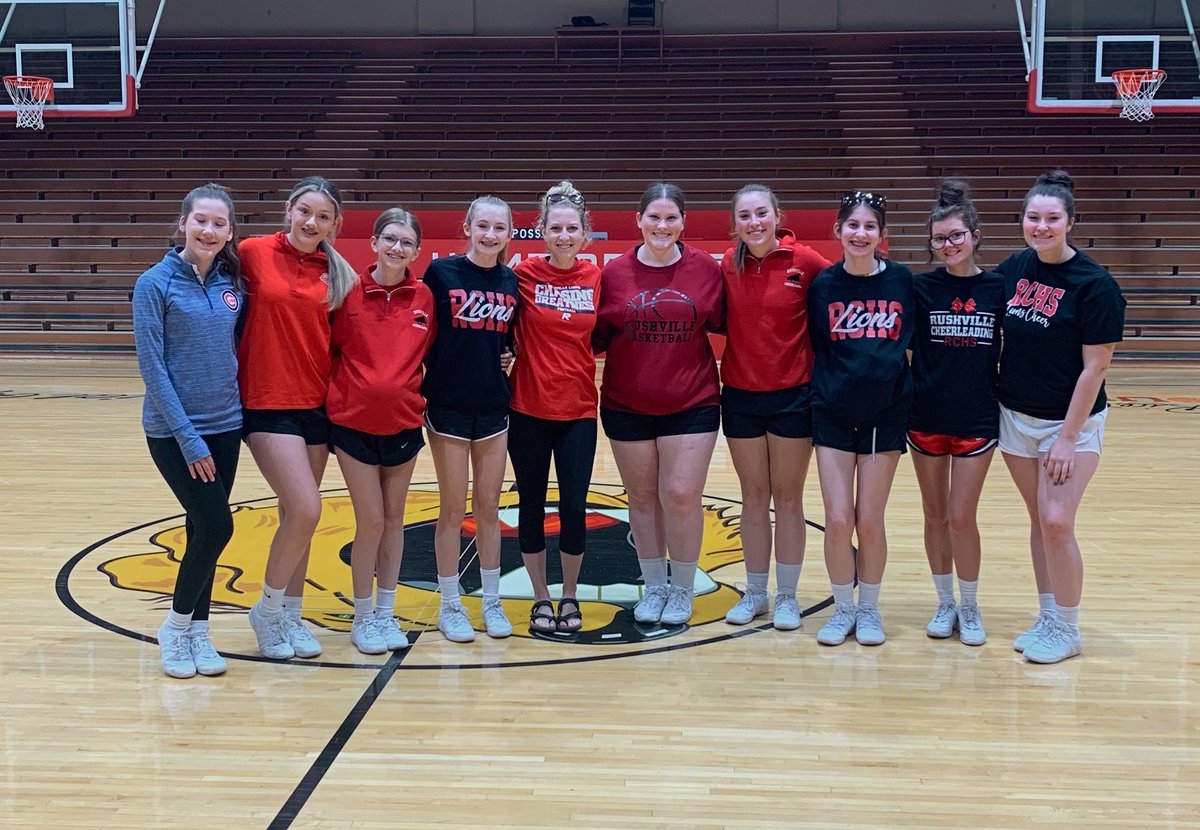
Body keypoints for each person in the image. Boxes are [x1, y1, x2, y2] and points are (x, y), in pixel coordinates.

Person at [997, 170, 1125, 664]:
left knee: (1056, 520)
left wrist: (1067, 439)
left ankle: (1068, 629)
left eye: (1052, 218)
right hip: (1016, 416)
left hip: (1068, 424)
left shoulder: (1094, 285)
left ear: (1071, 222)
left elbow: (1096, 368)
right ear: (1023, 220)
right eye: (1034, 217)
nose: (1042, 226)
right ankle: (1049, 615)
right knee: (1039, 519)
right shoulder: (1015, 267)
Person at [593, 182, 724, 627]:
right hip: (626, 403)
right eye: (654, 217)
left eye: (671, 218)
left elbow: (729, 322)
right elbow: (593, 337)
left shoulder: (707, 269)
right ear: (638, 220)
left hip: (693, 400)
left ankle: (683, 588)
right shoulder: (613, 273)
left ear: (683, 223)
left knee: (682, 495)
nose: (662, 226)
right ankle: (653, 588)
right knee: (644, 499)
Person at [239, 176, 358, 660]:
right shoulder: (250, 252)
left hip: (316, 404)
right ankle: (266, 611)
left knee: (299, 518)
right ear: (289, 209)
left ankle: (291, 613)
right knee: (308, 508)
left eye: (324, 216)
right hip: (266, 401)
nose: (312, 222)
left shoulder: (337, 272)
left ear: (335, 224)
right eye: (305, 211)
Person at [133, 183, 243, 678]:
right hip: (176, 434)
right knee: (219, 525)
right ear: (183, 223)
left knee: (202, 529)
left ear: (229, 232)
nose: (209, 230)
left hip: (226, 426)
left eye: (219, 223)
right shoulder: (154, 284)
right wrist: (188, 437)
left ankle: (199, 633)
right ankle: (175, 630)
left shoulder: (231, 285)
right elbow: (153, 369)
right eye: (201, 220)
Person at [719, 184, 831, 630]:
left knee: (787, 498)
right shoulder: (728, 264)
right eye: (744, 216)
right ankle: (755, 593)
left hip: (793, 397)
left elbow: (841, 296)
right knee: (752, 498)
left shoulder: (806, 263)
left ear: (776, 215)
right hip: (742, 396)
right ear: (736, 224)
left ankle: (787, 596)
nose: (754, 223)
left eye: (761, 213)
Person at [807, 190, 913, 647]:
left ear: (882, 236)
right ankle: (842, 608)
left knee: (869, 519)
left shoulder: (903, 282)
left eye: (870, 227)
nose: (860, 233)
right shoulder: (824, 287)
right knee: (836, 518)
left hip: (883, 416)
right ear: (838, 231)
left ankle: (869, 609)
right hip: (831, 412)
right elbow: (817, 344)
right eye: (853, 225)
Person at [327, 208, 434, 655]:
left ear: (417, 250)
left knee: (394, 522)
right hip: (352, 424)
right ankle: (363, 615)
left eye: (406, 242)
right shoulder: (346, 291)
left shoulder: (425, 297)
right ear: (373, 242)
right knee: (370, 520)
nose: (397, 248)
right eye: (389, 239)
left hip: (404, 425)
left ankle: (386, 612)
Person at [909, 181, 1005, 647]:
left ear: (975, 234)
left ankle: (969, 604)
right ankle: (944, 601)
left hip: (977, 418)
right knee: (933, 514)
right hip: (925, 414)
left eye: (955, 236)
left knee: (961, 516)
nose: (947, 245)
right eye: (939, 239)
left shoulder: (1000, 288)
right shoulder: (919, 288)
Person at [423, 195, 520, 643]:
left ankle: (492, 601)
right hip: (447, 406)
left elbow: (514, 339)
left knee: (488, 509)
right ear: (467, 226)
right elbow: (420, 334)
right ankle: (450, 604)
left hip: (494, 407)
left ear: (508, 233)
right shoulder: (441, 274)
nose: (490, 235)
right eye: (483, 226)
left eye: (499, 228)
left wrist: (510, 355)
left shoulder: (511, 281)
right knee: (451, 509)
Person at [509, 182, 602, 635]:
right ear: (541, 230)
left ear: (585, 233)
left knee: (573, 506)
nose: (564, 235)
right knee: (530, 504)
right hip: (527, 408)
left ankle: (569, 593)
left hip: (579, 409)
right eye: (555, 227)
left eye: (573, 228)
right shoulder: (522, 274)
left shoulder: (597, 277)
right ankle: (540, 596)